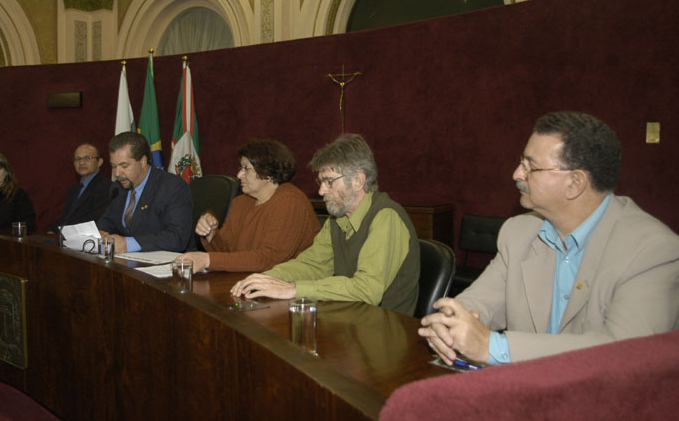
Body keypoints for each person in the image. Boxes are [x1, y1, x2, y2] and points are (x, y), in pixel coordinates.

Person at [419, 111, 679, 366]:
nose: (517, 174)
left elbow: (627, 354)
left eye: (530, 166)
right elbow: (482, 301)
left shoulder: (652, 250)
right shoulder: (519, 232)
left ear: (575, 183)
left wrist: (491, 346)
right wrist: (450, 323)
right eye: (522, 161)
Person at [230, 133, 420, 316]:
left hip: (387, 333)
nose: (321, 190)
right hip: (351, 321)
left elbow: (366, 290)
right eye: (321, 182)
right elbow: (313, 264)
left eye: (329, 181)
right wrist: (266, 278)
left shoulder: (386, 217)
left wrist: (293, 289)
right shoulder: (337, 219)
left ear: (357, 181)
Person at [177, 139, 320, 272]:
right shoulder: (241, 202)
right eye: (241, 168)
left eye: (246, 168)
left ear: (269, 173)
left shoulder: (290, 202)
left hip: (288, 287)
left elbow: (269, 259)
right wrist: (211, 233)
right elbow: (227, 253)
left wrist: (207, 260)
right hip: (248, 281)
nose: (239, 175)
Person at [97, 131, 193, 253]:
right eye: (113, 166)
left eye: (124, 166)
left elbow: (176, 238)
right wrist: (100, 233)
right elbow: (107, 222)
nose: (117, 173)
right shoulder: (118, 188)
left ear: (143, 161)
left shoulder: (172, 187)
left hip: (170, 264)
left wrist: (128, 244)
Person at [47, 143, 112, 233]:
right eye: (77, 159)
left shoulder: (108, 188)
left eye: (87, 158)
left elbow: (96, 221)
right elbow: (65, 218)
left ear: (99, 162)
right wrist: (52, 231)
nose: (81, 162)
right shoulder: (73, 189)